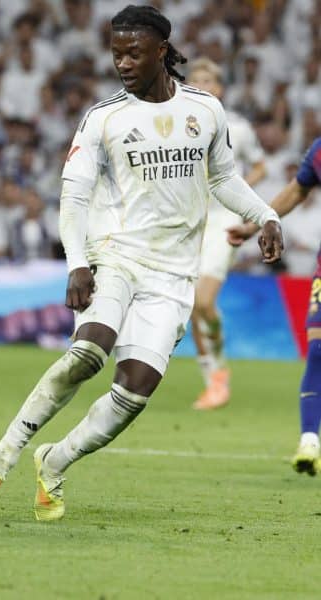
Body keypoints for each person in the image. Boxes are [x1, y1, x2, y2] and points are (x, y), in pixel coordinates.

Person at [0, 5, 283, 521]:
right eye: (116, 53)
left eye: (134, 52)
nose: (123, 63)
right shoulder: (104, 118)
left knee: (133, 392)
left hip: (174, 273)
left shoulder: (206, 111)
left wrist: (265, 215)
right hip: (114, 256)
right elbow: (74, 197)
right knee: (88, 353)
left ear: (162, 50)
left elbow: (223, 179)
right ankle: (4, 453)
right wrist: (76, 263)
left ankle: (55, 461)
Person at [229, 136, 321, 475]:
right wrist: (255, 223)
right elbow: (297, 191)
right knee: (318, 351)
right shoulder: (319, 150)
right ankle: (309, 440)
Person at [187, 57, 268, 410]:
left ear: (219, 89)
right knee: (189, 304)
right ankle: (213, 380)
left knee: (204, 300)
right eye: (196, 80)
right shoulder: (177, 126)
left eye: (208, 80)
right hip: (189, 220)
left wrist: (234, 189)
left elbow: (262, 166)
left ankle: (218, 357)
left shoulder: (238, 127)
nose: (202, 86)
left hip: (223, 220)